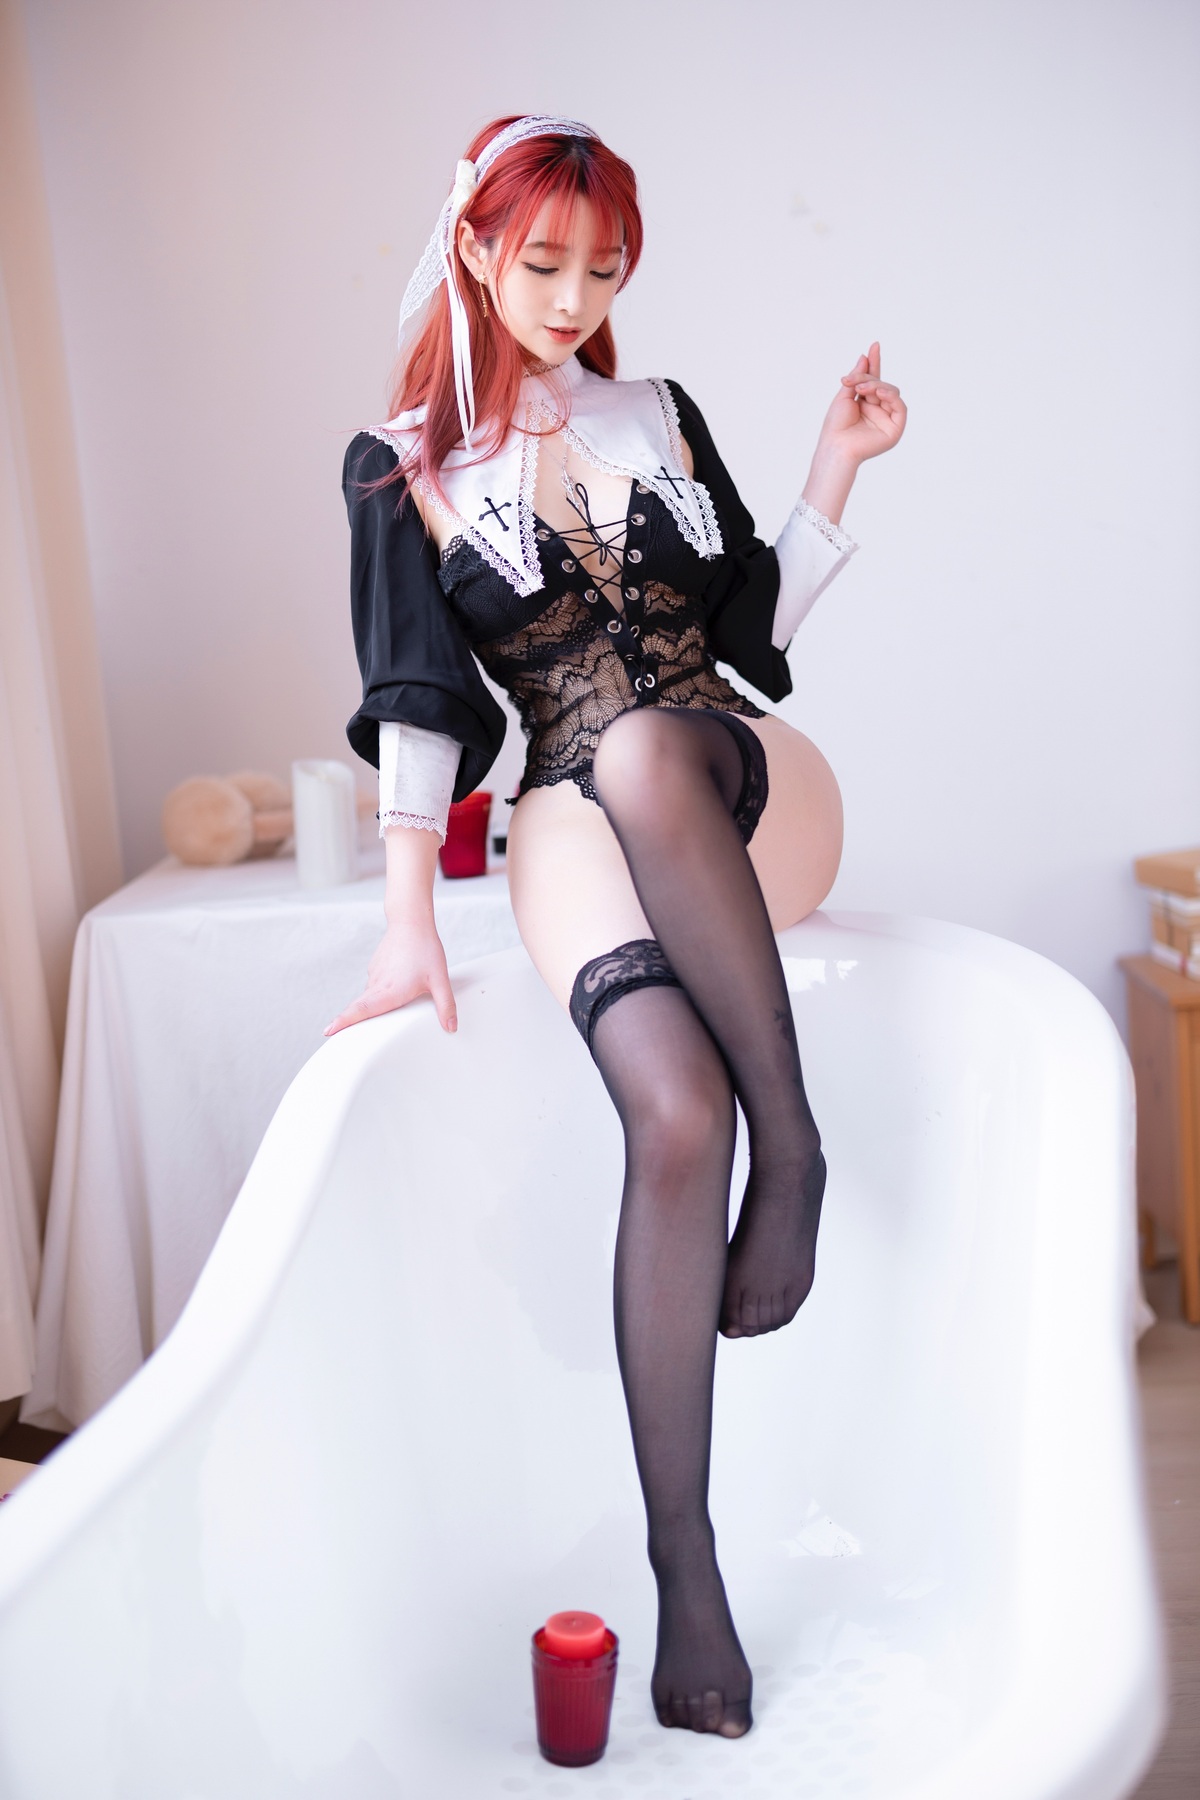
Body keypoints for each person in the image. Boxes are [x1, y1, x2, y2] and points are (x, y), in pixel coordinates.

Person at [327, 115, 906, 1738]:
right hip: (571, 814)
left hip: (740, 780)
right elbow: (417, 696)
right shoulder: (398, 465)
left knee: (651, 743)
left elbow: (750, 633)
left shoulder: (657, 415)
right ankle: (685, 1570)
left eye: (603, 266)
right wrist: (405, 920)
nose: (576, 297)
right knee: (672, 1112)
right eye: (544, 263)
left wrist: (834, 467)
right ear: (473, 248)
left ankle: (794, 1149)